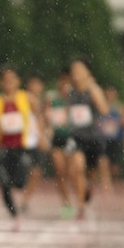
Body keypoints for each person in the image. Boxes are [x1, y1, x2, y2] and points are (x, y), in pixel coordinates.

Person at [0, 65, 32, 231]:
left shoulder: (26, 97)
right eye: (6, 81)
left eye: (12, 80)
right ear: (1, 83)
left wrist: (42, 133)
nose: (9, 84)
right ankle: (15, 214)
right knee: (4, 182)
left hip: (22, 146)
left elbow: (40, 116)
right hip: (3, 147)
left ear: (18, 81)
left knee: (20, 180)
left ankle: (21, 204)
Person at [66, 58, 109, 220]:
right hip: (77, 137)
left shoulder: (93, 90)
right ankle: (81, 206)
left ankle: (87, 187)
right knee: (76, 168)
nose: (76, 73)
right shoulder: (70, 91)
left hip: (92, 137)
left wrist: (94, 91)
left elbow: (104, 110)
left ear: (87, 72)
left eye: (79, 69)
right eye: (74, 70)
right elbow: (69, 111)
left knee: (88, 173)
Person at [45, 69, 74, 218]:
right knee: (60, 171)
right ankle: (66, 202)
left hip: (72, 139)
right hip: (57, 139)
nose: (64, 84)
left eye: (67, 81)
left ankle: (78, 197)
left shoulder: (74, 98)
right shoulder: (52, 97)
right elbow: (46, 116)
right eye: (62, 81)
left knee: (71, 172)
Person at [21, 73, 49, 214]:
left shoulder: (44, 102)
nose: (35, 87)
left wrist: (43, 136)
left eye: (37, 84)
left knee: (36, 172)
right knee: (25, 171)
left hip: (36, 141)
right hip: (24, 141)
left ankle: (25, 200)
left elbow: (43, 121)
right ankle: (21, 198)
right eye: (32, 84)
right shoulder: (23, 98)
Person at [97, 86, 124, 179]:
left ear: (116, 95)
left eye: (112, 93)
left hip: (116, 139)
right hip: (103, 139)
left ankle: (111, 180)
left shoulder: (120, 107)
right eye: (108, 93)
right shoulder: (100, 105)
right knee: (103, 160)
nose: (110, 95)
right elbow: (96, 121)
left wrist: (122, 123)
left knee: (115, 167)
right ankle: (106, 183)